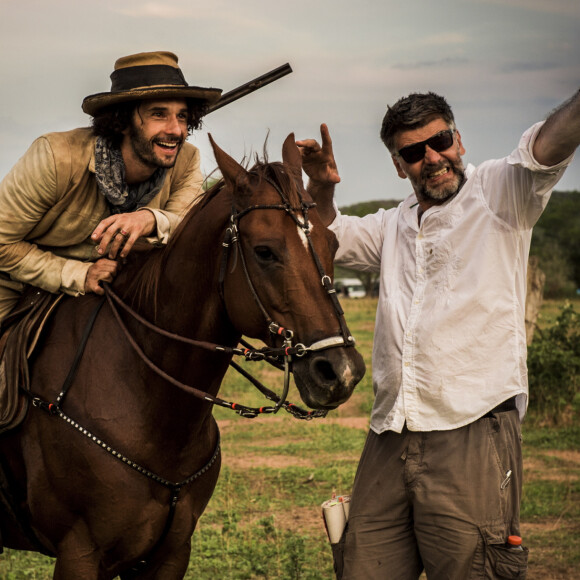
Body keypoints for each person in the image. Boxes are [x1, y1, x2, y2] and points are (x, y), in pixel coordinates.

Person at [297, 89, 580, 579]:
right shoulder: (393, 225)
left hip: (471, 430)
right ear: (398, 164)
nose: (432, 158)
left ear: (459, 138)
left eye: (440, 140)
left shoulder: (500, 193)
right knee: (363, 568)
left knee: (472, 569)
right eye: (413, 152)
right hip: (390, 433)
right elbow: (327, 237)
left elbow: (547, 146)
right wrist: (321, 187)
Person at [0, 51, 222, 323]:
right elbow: (2, 244)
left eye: (183, 116)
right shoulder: (56, 156)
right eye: (159, 114)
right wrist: (79, 274)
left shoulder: (187, 159)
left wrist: (149, 219)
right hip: (15, 282)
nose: (176, 130)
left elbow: (189, 229)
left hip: (119, 285)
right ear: (123, 120)